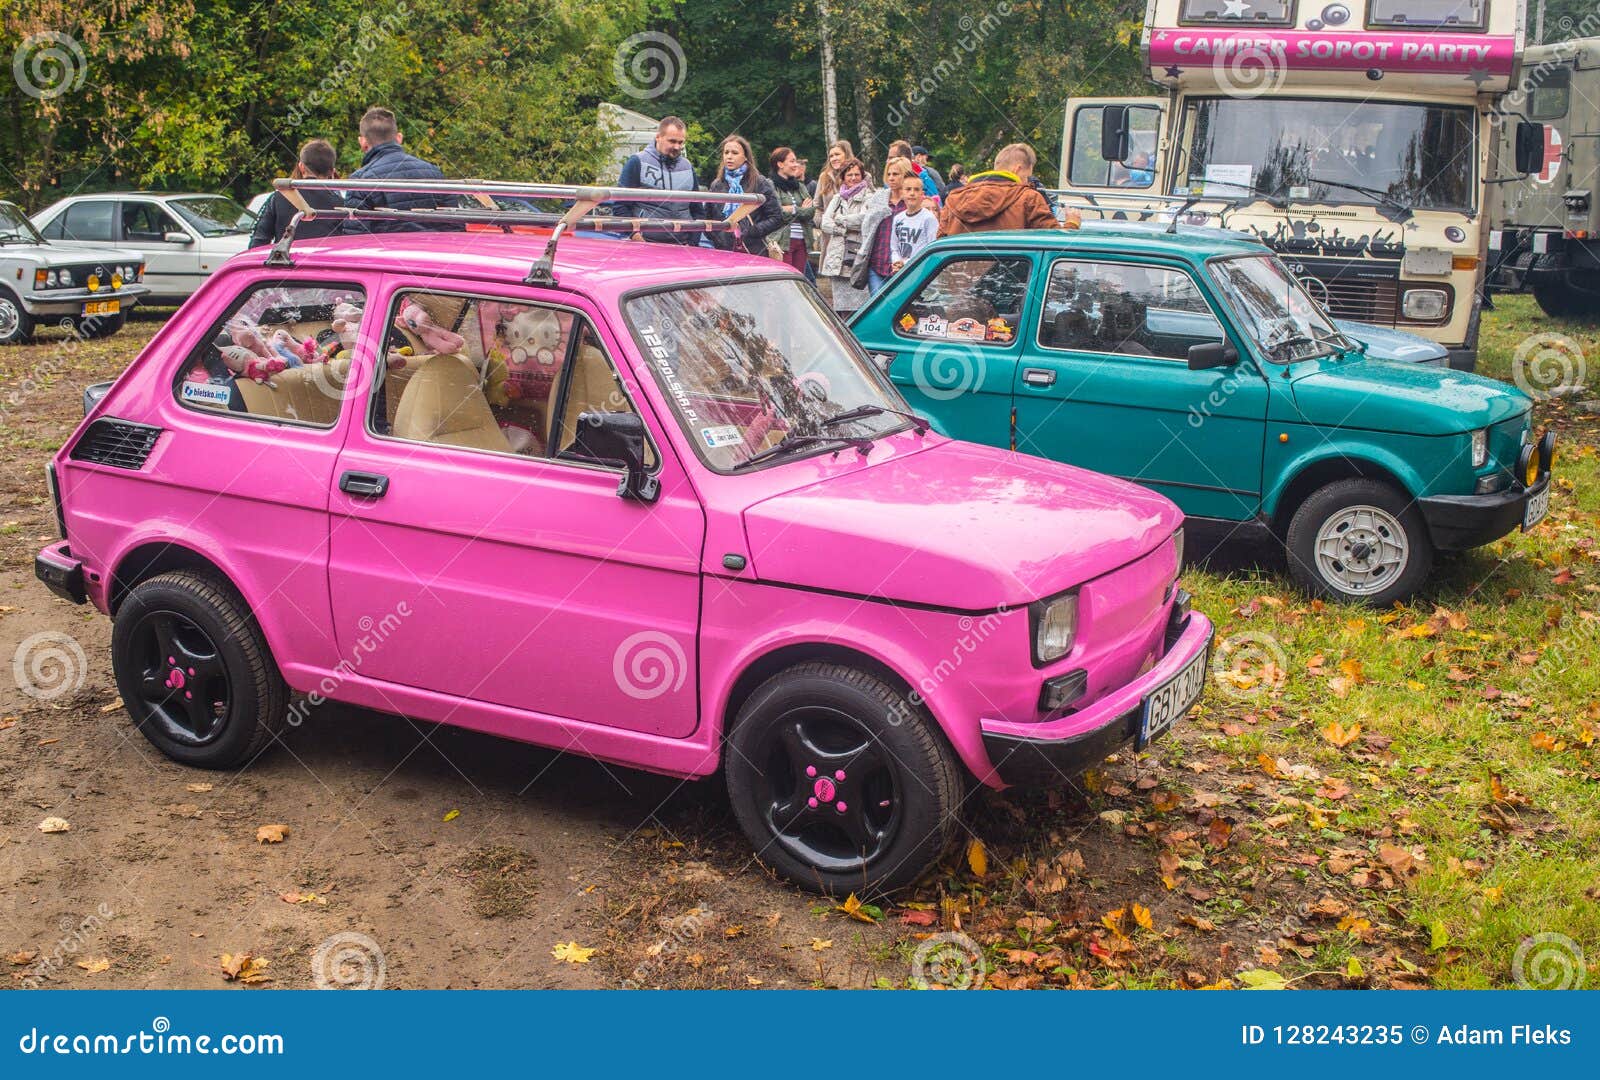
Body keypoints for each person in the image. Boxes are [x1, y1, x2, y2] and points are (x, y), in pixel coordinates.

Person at [342, 107, 450, 232]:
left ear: (362, 142)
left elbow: (356, 236)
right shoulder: (435, 172)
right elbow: (454, 228)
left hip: (387, 250)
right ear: (399, 138)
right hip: (433, 249)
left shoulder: (361, 180)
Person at [938, 142, 1068, 236]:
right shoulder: (1029, 198)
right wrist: (1071, 224)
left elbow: (940, 246)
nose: (1027, 181)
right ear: (1017, 170)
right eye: (1027, 177)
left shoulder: (953, 201)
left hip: (960, 274)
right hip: (1013, 274)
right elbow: (1054, 243)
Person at [616, 116, 704, 244]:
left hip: (682, 245)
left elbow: (697, 209)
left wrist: (693, 242)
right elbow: (621, 206)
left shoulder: (688, 167)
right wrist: (634, 236)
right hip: (644, 244)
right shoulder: (637, 162)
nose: (677, 147)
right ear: (658, 137)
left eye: (681, 142)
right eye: (672, 141)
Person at [250, 139, 343, 247]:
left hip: (286, 260)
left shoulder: (278, 197)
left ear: (301, 167)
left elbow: (257, 242)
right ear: (332, 171)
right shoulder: (340, 204)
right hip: (324, 262)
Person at [706, 134, 784, 257]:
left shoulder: (760, 182)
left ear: (745, 156)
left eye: (735, 153)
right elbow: (708, 217)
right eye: (726, 152)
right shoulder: (717, 185)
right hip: (723, 251)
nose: (729, 157)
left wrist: (752, 231)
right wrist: (719, 237)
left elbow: (777, 217)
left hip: (754, 251)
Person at [818, 158, 874, 315]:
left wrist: (841, 219)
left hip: (856, 258)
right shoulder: (837, 198)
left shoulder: (869, 197)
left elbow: (864, 220)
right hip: (837, 259)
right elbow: (825, 223)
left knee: (860, 307)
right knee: (841, 308)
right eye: (849, 174)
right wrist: (843, 230)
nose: (853, 178)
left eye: (857, 174)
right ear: (843, 177)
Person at [857, 158, 913, 297]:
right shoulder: (879, 198)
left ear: (906, 175)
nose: (891, 178)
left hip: (903, 265)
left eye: (896, 174)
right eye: (889, 174)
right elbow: (866, 225)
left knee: (901, 308)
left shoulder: (911, 202)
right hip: (877, 262)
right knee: (878, 308)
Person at [770, 146, 816, 275]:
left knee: (798, 278)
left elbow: (811, 211)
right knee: (784, 279)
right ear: (780, 164)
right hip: (782, 242)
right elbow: (778, 213)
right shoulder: (770, 185)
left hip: (803, 241)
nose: (796, 165)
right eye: (792, 161)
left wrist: (793, 209)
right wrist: (801, 209)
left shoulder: (800, 186)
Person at [890, 172, 939, 271]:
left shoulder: (929, 219)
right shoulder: (898, 218)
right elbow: (894, 247)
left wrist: (905, 263)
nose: (912, 193)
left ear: (922, 194)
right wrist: (896, 261)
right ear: (902, 193)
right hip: (900, 271)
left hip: (920, 270)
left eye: (916, 190)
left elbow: (932, 250)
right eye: (908, 189)